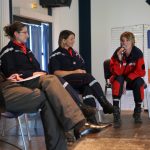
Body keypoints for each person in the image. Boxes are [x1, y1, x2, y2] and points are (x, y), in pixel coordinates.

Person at [0, 21, 97, 123]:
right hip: (22, 83)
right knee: (53, 80)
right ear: (16, 34)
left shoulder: (27, 50)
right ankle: (80, 111)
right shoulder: (7, 51)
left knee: (54, 81)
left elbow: (37, 67)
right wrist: (32, 74)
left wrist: (42, 73)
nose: (28, 36)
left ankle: (76, 121)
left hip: (35, 79)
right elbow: (10, 73)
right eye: (25, 33)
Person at [0, 71, 102, 150]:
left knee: (51, 83)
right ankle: (79, 125)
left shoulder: (27, 52)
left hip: (8, 83)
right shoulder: (9, 51)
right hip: (4, 91)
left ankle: (79, 125)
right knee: (49, 93)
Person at [48, 30, 113, 115]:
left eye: (74, 39)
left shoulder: (76, 54)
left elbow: (82, 67)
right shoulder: (55, 55)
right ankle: (104, 104)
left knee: (87, 88)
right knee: (88, 77)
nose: (74, 41)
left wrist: (82, 71)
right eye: (71, 39)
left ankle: (91, 118)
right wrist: (75, 72)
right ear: (63, 40)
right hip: (64, 82)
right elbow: (56, 73)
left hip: (79, 81)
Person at [109, 31, 146, 128]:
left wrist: (127, 80)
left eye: (127, 40)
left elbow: (141, 72)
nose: (124, 43)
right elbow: (116, 72)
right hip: (120, 79)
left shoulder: (137, 53)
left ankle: (137, 111)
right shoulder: (118, 52)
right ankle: (116, 112)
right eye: (122, 40)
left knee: (139, 82)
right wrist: (119, 59)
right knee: (118, 79)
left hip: (131, 80)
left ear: (132, 41)